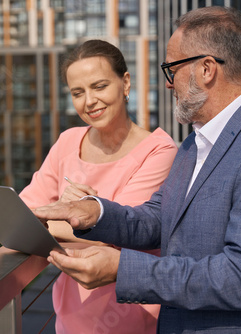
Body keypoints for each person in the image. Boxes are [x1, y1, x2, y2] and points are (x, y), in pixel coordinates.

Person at [34, 6, 241, 334]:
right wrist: (91, 214)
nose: (169, 84)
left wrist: (123, 270)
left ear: (207, 69)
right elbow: (156, 220)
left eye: (172, 70)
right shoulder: (193, 144)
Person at [18, 40, 178, 333]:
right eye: (78, 93)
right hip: (70, 318)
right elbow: (23, 213)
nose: (89, 101)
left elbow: (124, 232)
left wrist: (54, 216)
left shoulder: (159, 151)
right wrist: (61, 215)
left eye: (99, 86)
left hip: (133, 317)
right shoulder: (68, 141)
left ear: (125, 83)